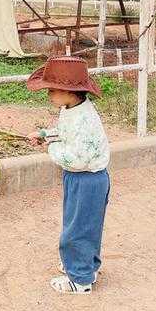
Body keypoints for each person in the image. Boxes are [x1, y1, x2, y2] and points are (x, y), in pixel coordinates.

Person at [26, 56, 110, 294]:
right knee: (83, 223)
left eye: (52, 89)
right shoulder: (72, 110)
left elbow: (77, 158)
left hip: (87, 179)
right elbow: (65, 133)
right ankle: (83, 265)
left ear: (70, 91)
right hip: (80, 178)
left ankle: (81, 280)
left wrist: (50, 148)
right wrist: (45, 134)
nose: (48, 94)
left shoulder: (84, 119)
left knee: (78, 228)